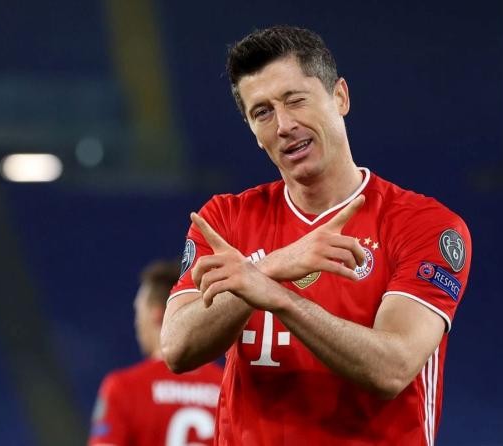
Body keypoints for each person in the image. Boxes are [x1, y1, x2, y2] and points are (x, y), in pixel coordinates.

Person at [161, 26, 472, 446]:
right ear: (253, 131)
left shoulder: (424, 225)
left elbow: (392, 369)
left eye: (296, 100)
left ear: (340, 97)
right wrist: (271, 267)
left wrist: (277, 296)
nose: (284, 125)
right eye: (262, 112)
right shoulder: (225, 220)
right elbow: (177, 348)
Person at [89, 260, 223, 446]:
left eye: (138, 312)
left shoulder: (123, 389)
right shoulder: (227, 388)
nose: (136, 324)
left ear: (157, 314)